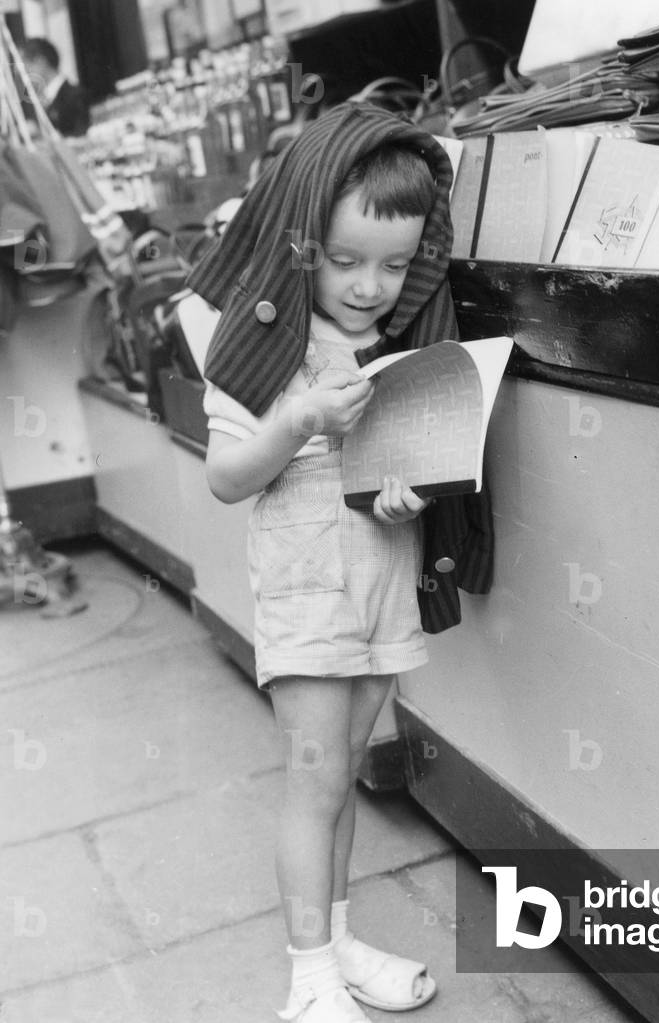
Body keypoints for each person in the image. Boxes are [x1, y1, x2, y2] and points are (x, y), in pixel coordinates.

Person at [187, 102, 491, 1022]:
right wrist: (297, 419)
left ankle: (339, 943)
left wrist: (408, 489)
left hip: (379, 579)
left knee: (347, 769)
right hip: (307, 588)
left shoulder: (395, 345)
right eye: (346, 260)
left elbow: (390, 475)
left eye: (395, 266)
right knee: (313, 780)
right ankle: (308, 978)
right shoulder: (266, 341)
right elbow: (226, 476)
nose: (369, 286)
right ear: (302, 245)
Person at [21, 37, 90, 138]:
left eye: (26, 66)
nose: (25, 74)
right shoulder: (43, 100)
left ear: (40, 61)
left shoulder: (75, 96)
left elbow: (81, 137)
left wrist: (41, 135)